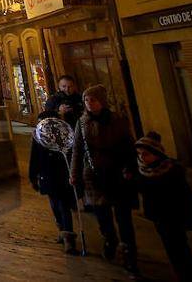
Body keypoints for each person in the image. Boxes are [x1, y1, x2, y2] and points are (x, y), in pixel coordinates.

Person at [70, 84, 138, 274]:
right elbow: (77, 149)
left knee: (124, 217)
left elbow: (128, 146)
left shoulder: (118, 120)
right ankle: (109, 239)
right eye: (86, 100)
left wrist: (130, 167)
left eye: (93, 100)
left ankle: (128, 252)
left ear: (102, 101)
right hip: (93, 175)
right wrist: (74, 173)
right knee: (102, 214)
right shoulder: (82, 123)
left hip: (117, 173)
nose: (89, 104)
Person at [133, 132, 192, 280]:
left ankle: (190, 275)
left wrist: (190, 216)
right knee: (171, 247)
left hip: (174, 214)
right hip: (158, 216)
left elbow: (186, 195)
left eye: (146, 154)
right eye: (140, 154)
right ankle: (183, 273)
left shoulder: (171, 170)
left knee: (179, 247)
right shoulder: (143, 172)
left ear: (157, 154)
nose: (142, 157)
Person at [29, 109, 79, 254]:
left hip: (59, 175)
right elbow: (35, 158)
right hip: (51, 175)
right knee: (57, 205)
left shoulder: (60, 136)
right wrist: (33, 176)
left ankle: (68, 235)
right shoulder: (40, 136)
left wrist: (33, 176)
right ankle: (63, 231)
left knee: (62, 205)